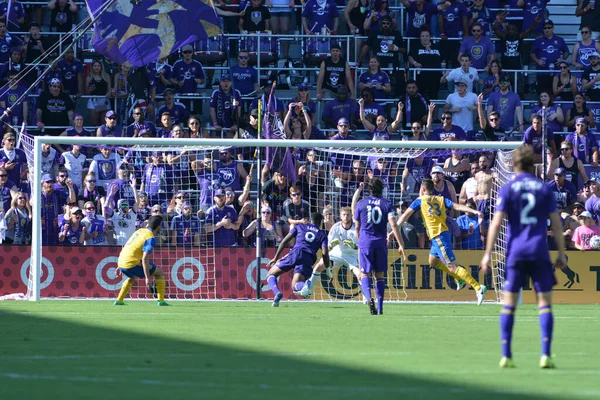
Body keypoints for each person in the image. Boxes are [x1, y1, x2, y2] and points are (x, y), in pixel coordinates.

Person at [481, 145, 566, 369]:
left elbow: (496, 223)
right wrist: (561, 253)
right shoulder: (543, 188)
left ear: (514, 164)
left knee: (509, 305)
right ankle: (545, 354)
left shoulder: (508, 188)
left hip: (516, 252)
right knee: (545, 304)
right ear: (533, 164)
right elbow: (556, 225)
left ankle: (506, 355)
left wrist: (487, 254)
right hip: (538, 250)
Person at [398, 178, 487, 304]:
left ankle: (478, 287)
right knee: (433, 261)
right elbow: (456, 206)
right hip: (440, 235)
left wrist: (393, 230)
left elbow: (405, 215)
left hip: (438, 236)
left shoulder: (420, 200)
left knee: (452, 266)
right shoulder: (440, 199)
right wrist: (474, 211)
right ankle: (459, 279)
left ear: (422, 189)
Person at [354, 177, 404, 315]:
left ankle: (369, 298)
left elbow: (357, 227)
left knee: (364, 273)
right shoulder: (387, 204)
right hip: (381, 242)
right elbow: (393, 224)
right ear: (382, 189)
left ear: (369, 189)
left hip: (365, 242)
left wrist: (360, 242)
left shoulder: (361, 204)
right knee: (380, 275)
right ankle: (380, 307)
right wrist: (401, 244)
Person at [266, 212, 330, 307]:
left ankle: (277, 293)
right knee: (295, 286)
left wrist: (276, 257)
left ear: (309, 220)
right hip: (308, 258)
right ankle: (304, 286)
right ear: (321, 222)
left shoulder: (300, 227)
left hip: (295, 253)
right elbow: (325, 253)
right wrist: (328, 270)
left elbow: (284, 241)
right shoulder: (322, 235)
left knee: (271, 274)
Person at [300, 206, 360, 298]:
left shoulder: (356, 227)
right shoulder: (336, 227)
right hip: (337, 253)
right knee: (319, 266)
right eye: (344, 214)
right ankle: (308, 290)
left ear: (351, 216)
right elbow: (327, 246)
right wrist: (331, 245)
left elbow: (362, 246)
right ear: (340, 216)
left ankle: (366, 299)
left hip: (352, 255)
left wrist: (354, 246)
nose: (346, 216)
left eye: (348, 215)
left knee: (360, 274)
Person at [114, 215, 169, 306]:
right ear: (159, 226)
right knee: (159, 273)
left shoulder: (139, 231)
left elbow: (129, 246)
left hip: (122, 260)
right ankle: (161, 301)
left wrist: (120, 265)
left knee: (133, 277)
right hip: (131, 263)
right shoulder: (150, 238)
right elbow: (144, 258)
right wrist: (148, 278)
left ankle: (119, 301)